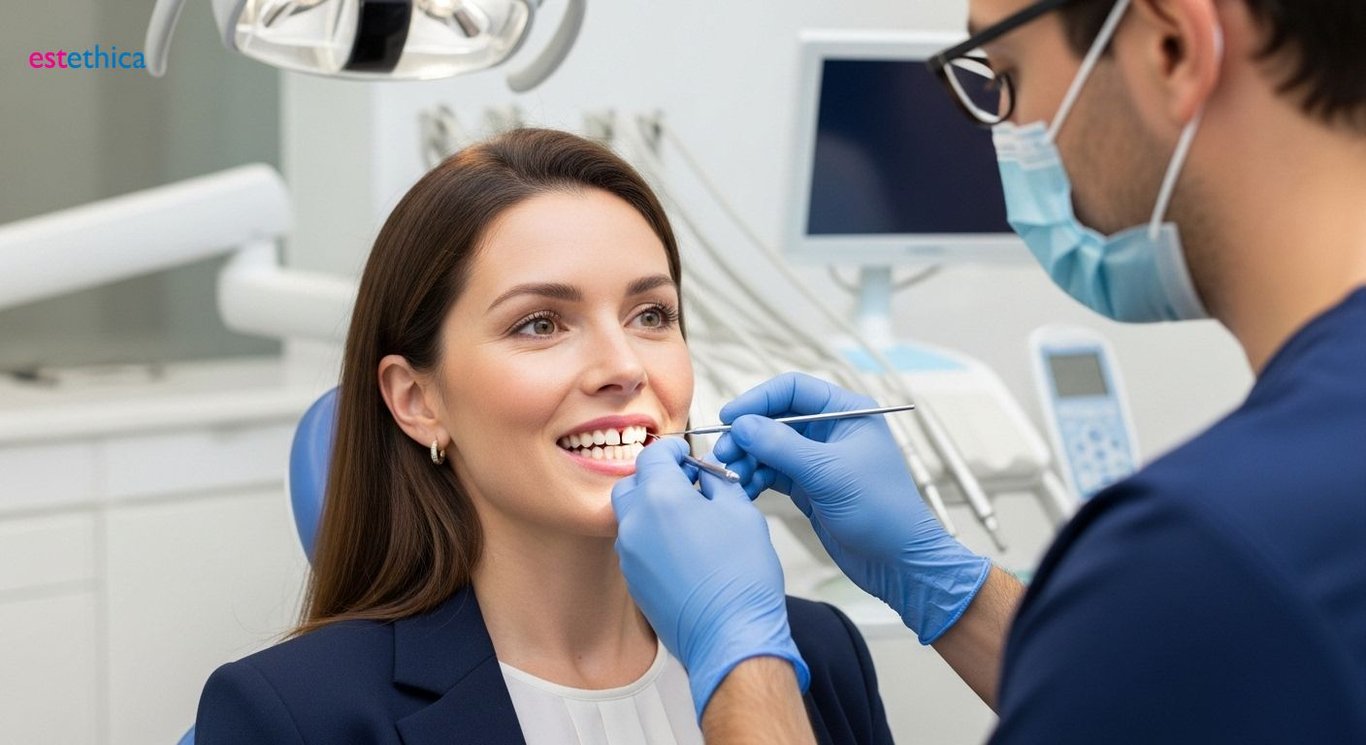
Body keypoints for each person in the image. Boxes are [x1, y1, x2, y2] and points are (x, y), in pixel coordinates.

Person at [612, 0, 1366, 741]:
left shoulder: (1213, 550)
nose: (1005, 132)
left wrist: (740, 659)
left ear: (1171, 46)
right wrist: (942, 582)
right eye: (550, 323)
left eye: (1005, 75)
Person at [194, 129, 894, 744]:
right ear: (418, 400)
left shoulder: (815, 651)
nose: (624, 367)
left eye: (651, 315)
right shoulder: (292, 716)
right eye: (540, 324)